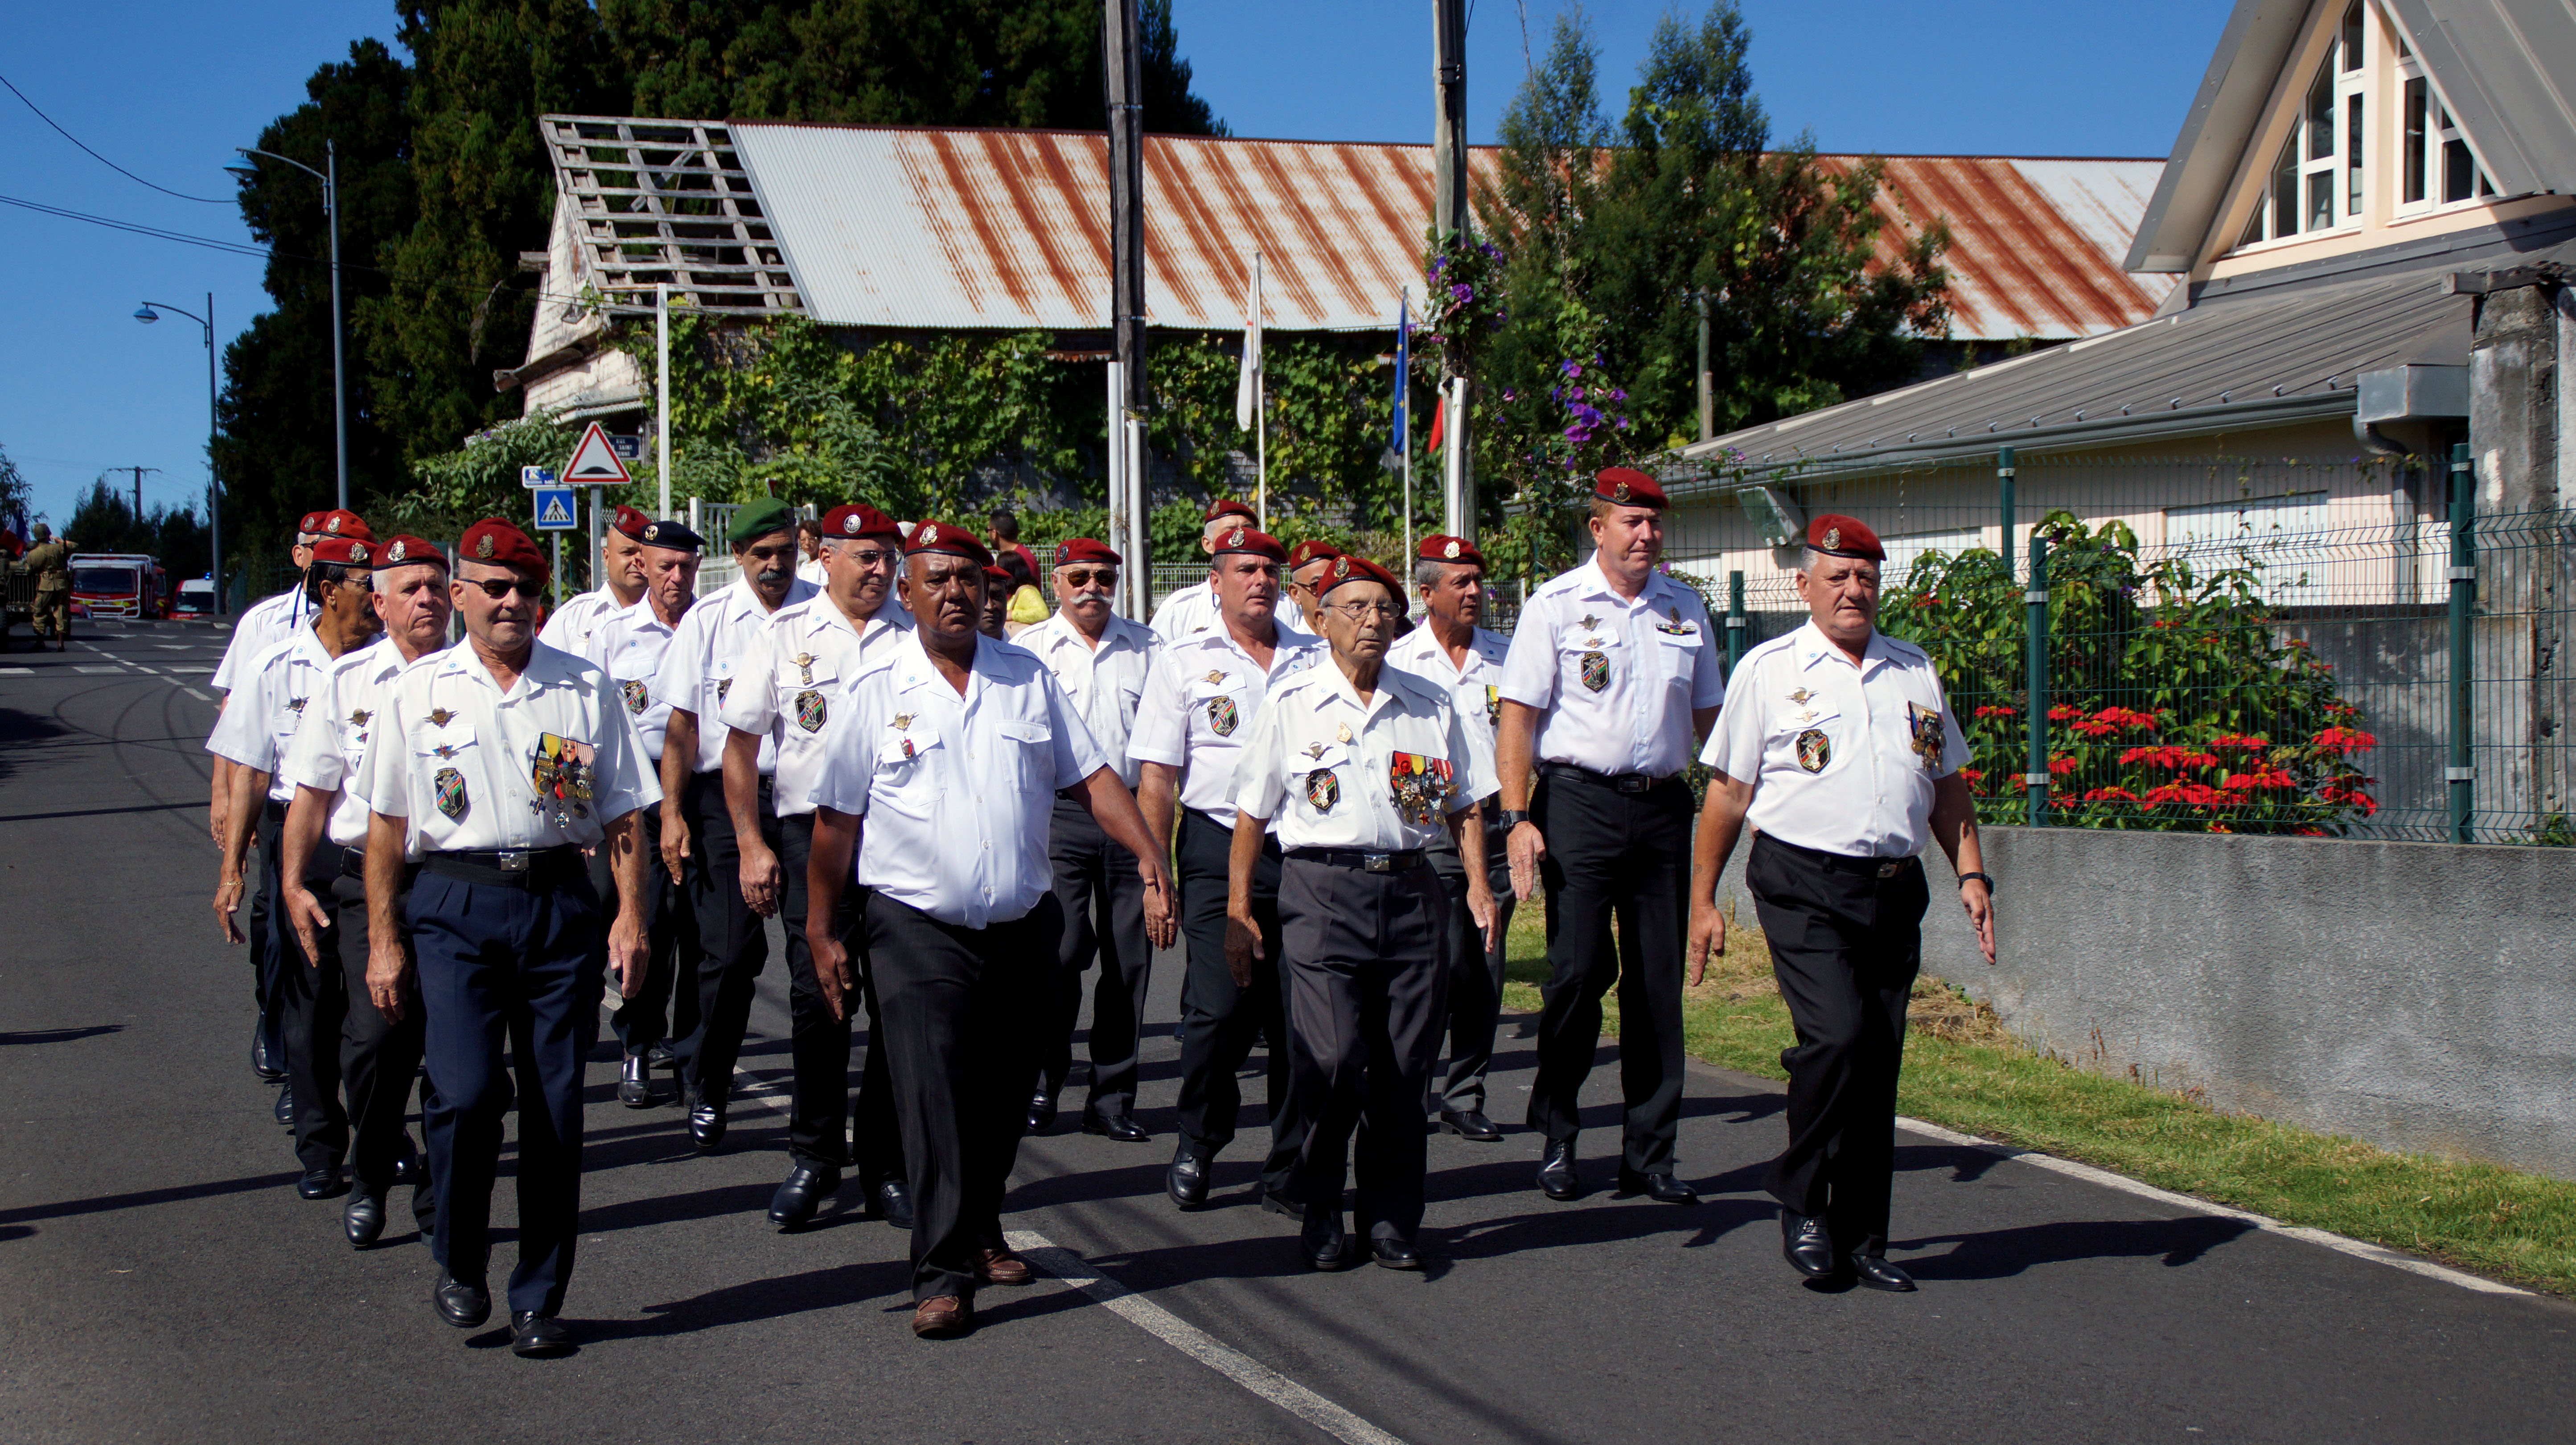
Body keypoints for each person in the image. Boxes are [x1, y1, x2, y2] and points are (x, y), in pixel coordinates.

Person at [804, 519, 1175, 1338]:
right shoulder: (875, 689)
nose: (955, 594)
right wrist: (822, 930)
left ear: (989, 591)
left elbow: (1091, 778)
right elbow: (835, 822)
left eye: (969, 581)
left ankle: (979, 1229)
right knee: (934, 1090)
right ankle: (938, 1272)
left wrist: (1149, 850)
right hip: (914, 924)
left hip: (1019, 924)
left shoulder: (1026, 679)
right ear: (908, 591)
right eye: (936, 579)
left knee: (1006, 1092)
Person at [353, 518, 657, 1356]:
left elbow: (625, 810)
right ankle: (458, 1255)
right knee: (465, 1093)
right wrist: (384, 939)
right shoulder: (415, 693)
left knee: (557, 1107)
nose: (513, 602)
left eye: (526, 588)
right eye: (495, 586)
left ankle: (537, 1297)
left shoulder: (581, 687)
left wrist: (630, 919)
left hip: (558, 901)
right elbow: (385, 827)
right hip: (455, 902)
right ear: (459, 595)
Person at [1688, 514, 1994, 1292]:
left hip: (1892, 889)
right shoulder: (1767, 668)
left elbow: (1945, 787)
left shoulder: (1911, 670)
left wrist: (1970, 875)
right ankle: (1800, 1199)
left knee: (1876, 1061)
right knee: (1834, 1039)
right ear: (1803, 585)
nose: (1852, 590)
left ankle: (1861, 1234)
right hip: (1800, 882)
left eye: (1864, 576)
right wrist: (1703, 899)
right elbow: (1726, 795)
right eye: (1836, 576)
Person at [1228, 553, 1494, 1271]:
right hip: (1321, 893)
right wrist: (1236, 909)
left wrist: (1476, 885)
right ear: (1319, 620)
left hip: (1411, 893)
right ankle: (1318, 1199)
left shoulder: (1428, 704)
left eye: (1384, 609)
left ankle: (1389, 1217)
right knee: (1335, 1058)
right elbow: (1251, 815)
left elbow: (1463, 804)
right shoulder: (1292, 704)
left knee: (1405, 1069)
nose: (1373, 621)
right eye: (1355, 607)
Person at [1495, 467, 1722, 1206]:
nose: (1646, 535)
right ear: (1597, 529)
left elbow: (1710, 721)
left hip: (1660, 808)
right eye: (1631, 522)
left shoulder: (1683, 607)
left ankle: (1648, 1154)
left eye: (1654, 522)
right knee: (1577, 973)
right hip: (1578, 803)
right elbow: (1519, 719)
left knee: (1656, 986)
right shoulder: (1555, 606)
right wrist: (1516, 816)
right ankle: (1559, 1132)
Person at [716, 502, 916, 1232]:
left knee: (897, 999)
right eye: (863, 556)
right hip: (807, 835)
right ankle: (814, 1156)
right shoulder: (782, 636)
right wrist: (750, 843)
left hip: (898, 834)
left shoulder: (916, 634)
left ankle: (886, 1163)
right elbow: (740, 748)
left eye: (887, 556)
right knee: (818, 996)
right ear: (822, 557)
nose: (879, 568)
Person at [1131, 524, 1326, 1213]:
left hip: (1303, 852)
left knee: (1299, 1019)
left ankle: (1287, 1164)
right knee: (1218, 1011)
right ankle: (1199, 1137)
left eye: (1272, 570)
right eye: (1245, 568)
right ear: (1214, 581)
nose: (1261, 580)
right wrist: (1156, 872)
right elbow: (1157, 776)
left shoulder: (1315, 656)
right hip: (1215, 848)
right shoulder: (1182, 661)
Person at [275, 534, 452, 1247]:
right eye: (409, 588)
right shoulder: (347, 684)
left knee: (452, 1048)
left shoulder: (480, 676)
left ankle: (441, 1203)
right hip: (362, 885)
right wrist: (290, 882)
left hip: (450, 881)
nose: (427, 600)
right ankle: (372, 1171)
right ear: (377, 603)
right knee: (378, 1039)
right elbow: (311, 796)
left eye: (437, 586)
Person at [210, 531, 386, 1171]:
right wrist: (232, 869)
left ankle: (381, 1131)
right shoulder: (274, 666)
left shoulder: (396, 663)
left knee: (379, 1007)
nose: (378, 597)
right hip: (300, 839)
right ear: (328, 590)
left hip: (375, 846)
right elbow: (250, 771)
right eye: (367, 584)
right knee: (311, 996)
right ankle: (319, 1142)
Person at [653, 497, 818, 1151]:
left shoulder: (821, 612)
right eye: (761, 556)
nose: (775, 566)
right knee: (728, 955)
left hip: (807, 801)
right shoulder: (709, 621)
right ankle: (710, 1083)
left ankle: (816, 1111)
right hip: (726, 803)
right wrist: (671, 814)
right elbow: (682, 727)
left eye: (784, 552)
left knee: (816, 954)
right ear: (740, 558)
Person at [1016, 538, 1162, 1141]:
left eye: (1104, 578)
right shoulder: (1028, 652)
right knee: (1060, 950)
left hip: (1131, 816)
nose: (1092, 588)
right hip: (1061, 815)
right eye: (1079, 576)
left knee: (1129, 960)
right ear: (1057, 581)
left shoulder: (1150, 649)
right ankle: (1046, 1075)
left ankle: (1111, 1096)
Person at [1384, 534, 1517, 1141]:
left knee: (1483, 967)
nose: (1472, 592)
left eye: (1476, 581)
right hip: (1430, 825)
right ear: (1426, 592)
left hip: (1492, 825)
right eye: (1458, 582)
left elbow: (1526, 745)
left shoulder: (1508, 657)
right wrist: (1429, 822)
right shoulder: (1401, 658)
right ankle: (1406, 1086)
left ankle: (1464, 1092)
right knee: (1432, 961)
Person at [580, 519, 706, 1107]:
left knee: (704, 931)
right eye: (664, 567)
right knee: (647, 923)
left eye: (686, 567)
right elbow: (577, 723)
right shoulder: (610, 634)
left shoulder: (713, 628)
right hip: (636, 799)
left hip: (706, 792)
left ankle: (695, 1057)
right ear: (644, 568)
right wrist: (575, 814)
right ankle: (636, 1042)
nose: (675, 578)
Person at [1147, 499, 1314, 642]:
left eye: (1248, 531)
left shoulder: (1285, 607)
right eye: (1231, 533)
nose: (1242, 539)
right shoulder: (1181, 609)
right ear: (1208, 544)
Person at [538, 504, 653, 655]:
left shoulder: (672, 617)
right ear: (607, 557)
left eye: (645, 554)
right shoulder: (573, 618)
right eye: (628, 553)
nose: (638, 561)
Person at [22, 523, 74, 651]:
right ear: (47, 534)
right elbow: (74, 546)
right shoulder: (58, 548)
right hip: (62, 584)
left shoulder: (34, 554)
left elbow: (28, 571)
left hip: (45, 585)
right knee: (61, 611)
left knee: (40, 612)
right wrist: (59, 540)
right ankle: (60, 643)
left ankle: (40, 642)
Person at [1282, 540, 1342, 636]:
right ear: (1296, 594)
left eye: (1334, 584)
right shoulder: (1288, 646)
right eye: (1317, 585)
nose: (1328, 593)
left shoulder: (1354, 644)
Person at [978, 565, 1014, 639]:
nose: (990, 606)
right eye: (982, 598)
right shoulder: (954, 650)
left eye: (997, 597)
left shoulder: (1022, 645)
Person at [796, 515, 829, 586]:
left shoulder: (823, 565)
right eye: (803, 539)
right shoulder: (803, 566)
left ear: (820, 540)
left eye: (811, 539)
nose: (807, 543)